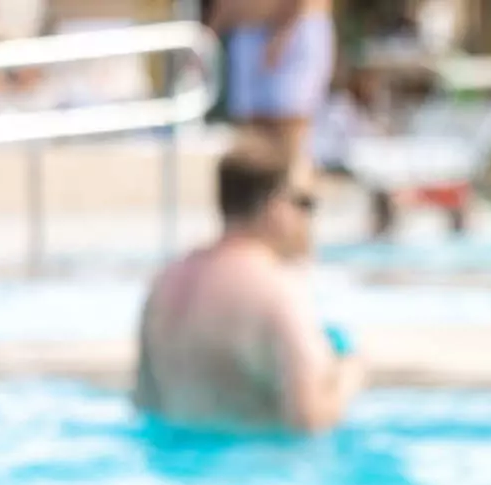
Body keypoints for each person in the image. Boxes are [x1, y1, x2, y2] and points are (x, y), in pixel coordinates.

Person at [133, 138, 363, 433]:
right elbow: (309, 418)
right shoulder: (279, 290)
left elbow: (144, 404)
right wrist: (348, 374)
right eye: (306, 202)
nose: (311, 219)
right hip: (257, 470)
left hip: (175, 470)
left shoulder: (166, 282)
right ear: (276, 207)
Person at [210, 0, 337, 176]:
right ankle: (261, 198)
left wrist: (283, 34)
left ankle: (292, 195)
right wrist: (212, 32)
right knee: (252, 138)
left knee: (290, 135)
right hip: (247, 33)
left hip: (292, 31)